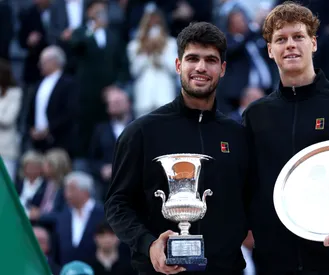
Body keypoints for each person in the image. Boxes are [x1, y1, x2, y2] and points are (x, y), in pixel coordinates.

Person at [242, 2, 329, 275]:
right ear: (270, 50)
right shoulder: (255, 115)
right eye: (281, 39)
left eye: (298, 37)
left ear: (314, 43)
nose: (290, 45)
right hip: (275, 264)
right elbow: (249, 185)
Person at [105, 22, 250, 275]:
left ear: (223, 68)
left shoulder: (237, 135)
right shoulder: (141, 132)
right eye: (192, 58)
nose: (201, 67)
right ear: (178, 65)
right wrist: (148, 245)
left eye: (211, 60)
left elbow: (252, 204)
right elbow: (117, 204)